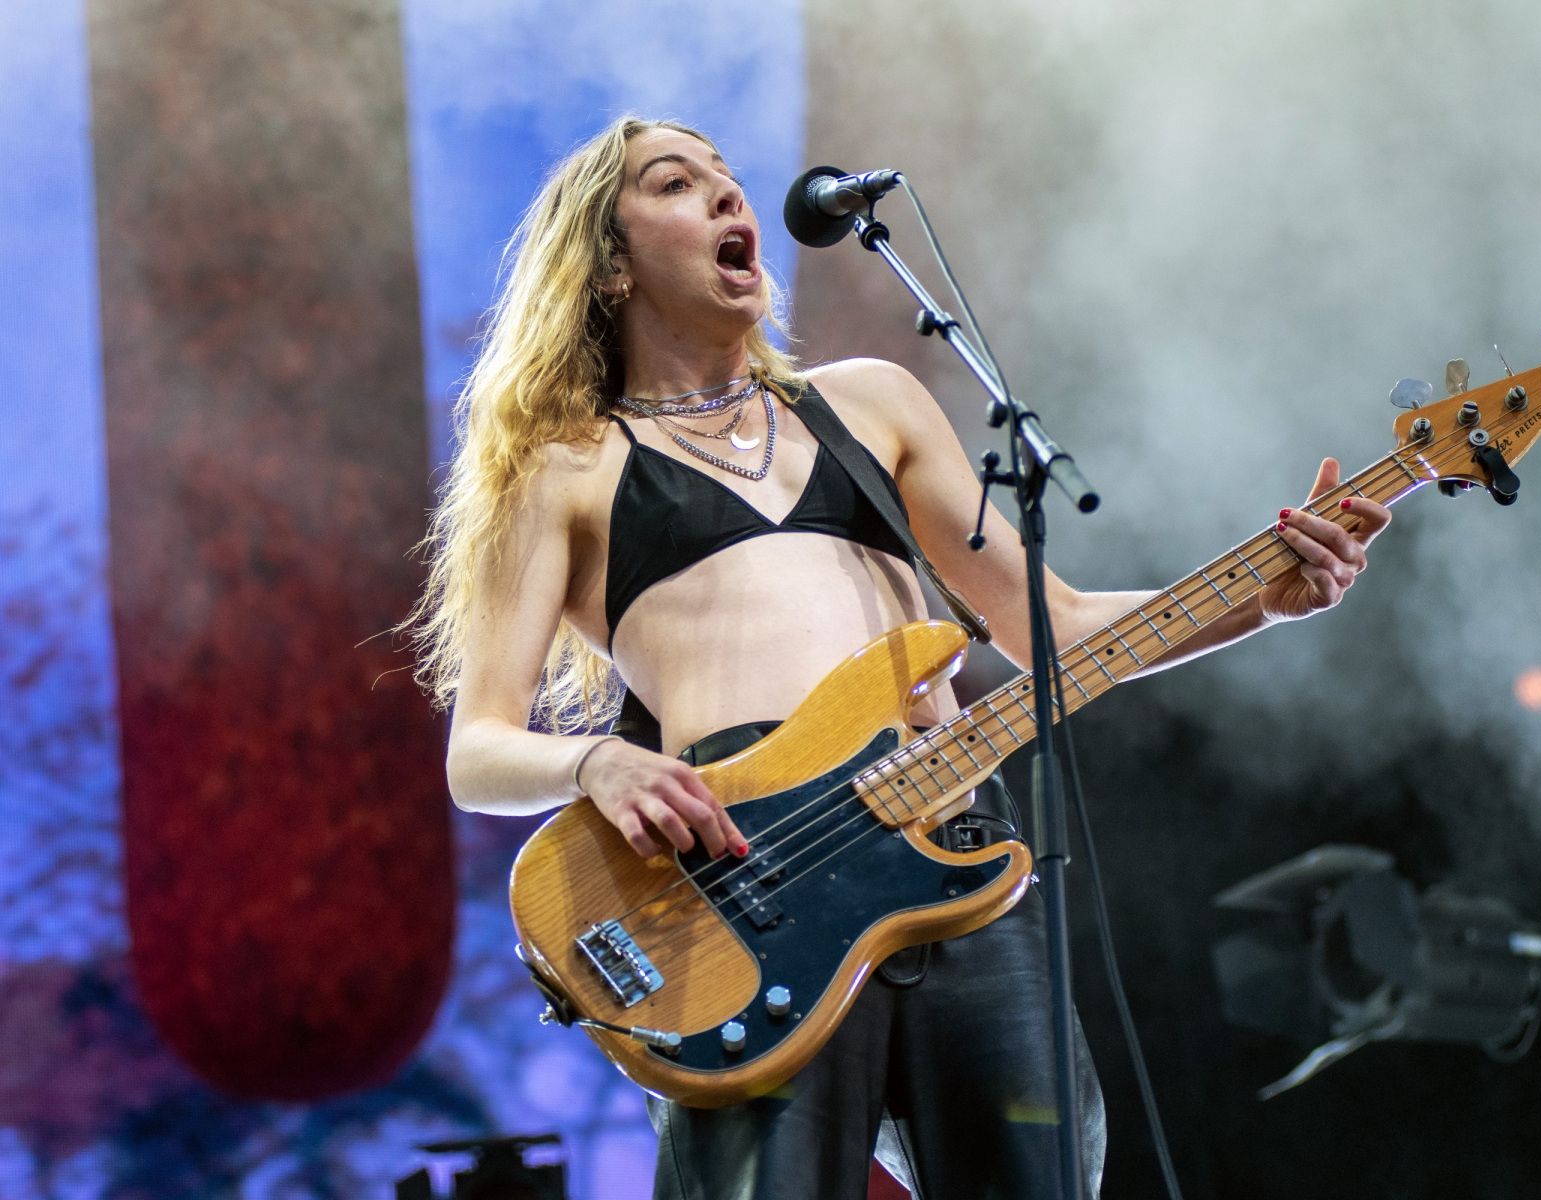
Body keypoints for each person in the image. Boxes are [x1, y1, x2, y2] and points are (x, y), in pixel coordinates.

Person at [410, 115, 1390, 1200]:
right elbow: (478, 750)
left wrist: (1263, 599)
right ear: (607, 266)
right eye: (677, 184)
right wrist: (595, 762)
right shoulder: (567, 465)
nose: (730, 195)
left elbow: (1052, 628)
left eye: (729, 176)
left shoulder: (868, 404)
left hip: (952, 848)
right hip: (739, 889)